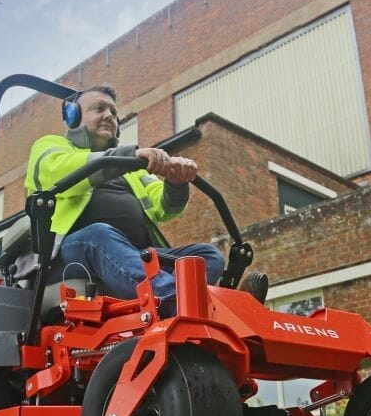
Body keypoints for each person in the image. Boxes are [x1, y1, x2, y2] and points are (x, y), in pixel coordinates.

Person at [24, 85, 226, 317]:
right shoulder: (51, 147)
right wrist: (125, 157)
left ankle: (206, 303)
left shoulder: (133, 170)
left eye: (113, 112)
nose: (109, 116)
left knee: (206, 256)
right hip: (68, 252)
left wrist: (176, 183)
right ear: (73, 117)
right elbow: (56, 170)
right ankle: (177, 303)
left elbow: (164, 208)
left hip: (132, 254)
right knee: (99, 235)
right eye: (99, 108)